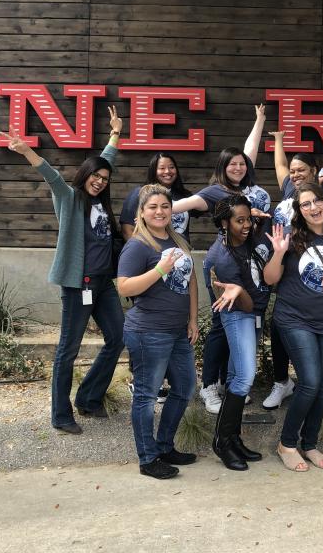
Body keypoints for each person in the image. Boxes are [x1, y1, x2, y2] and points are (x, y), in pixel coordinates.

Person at [1, 108, 125, 436]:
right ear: (84, 175)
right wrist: (27, 150)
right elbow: (52, 176)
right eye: (94, 177)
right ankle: (60, 413)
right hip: (78, 284)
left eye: (104, 179)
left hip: (103, 283)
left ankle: (88, 397)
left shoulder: (101, 202)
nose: (99, 182)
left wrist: (115, 133)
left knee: (119, 338)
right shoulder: (70, 198)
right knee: (68, 349)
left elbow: (106, 161)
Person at [173, 105, 269, 414]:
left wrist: (259, 120)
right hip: (224, 263)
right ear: (223, 167)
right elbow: (183, 204)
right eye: (233, 165)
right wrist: (154, 211)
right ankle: (209, 387)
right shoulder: (216, 192)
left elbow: (249, 149)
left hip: (250, 263)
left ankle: (232, 384)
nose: (239, 168)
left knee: (239, 325)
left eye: (242, 164)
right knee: (220, 325)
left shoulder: (246, 188)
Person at [263, 183, 323, 472]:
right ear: (299, 210)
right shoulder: (291, 238)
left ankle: (310, 443)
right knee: (310, 382)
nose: (313, 207)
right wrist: (278, 253)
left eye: (317, 200)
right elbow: (269, 279)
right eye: (305, 204)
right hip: (294, 318)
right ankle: (287, 443)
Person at [116, 184, 200, 479]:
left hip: (178, 331)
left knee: (185, 387)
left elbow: (191, 281)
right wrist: (160, 270)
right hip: (148, 332)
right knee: (146, 396)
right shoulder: (138, 245)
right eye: (153, 207)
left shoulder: (177, 239)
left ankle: (164, 445)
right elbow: (124, 286)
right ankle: (148, 458)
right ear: (142, 212)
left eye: (165, 206)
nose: (160, 212)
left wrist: (192, 320)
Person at [261, 130, 323, 410]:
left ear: (314, 171)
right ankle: (282, 382)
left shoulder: (320, 197)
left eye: (301, 170)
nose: (294, 174)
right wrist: (279, 139)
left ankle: (315, 385)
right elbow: (280, 166)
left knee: (313, 333)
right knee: (280, 328)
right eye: (293, 171)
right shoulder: (290, 190)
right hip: (282, 263)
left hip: (311, 269)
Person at [204, 195, 273, 471]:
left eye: (248, 219)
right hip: (239, 315)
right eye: (239, 220)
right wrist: (243, 292)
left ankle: (232, 438)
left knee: (235, 377)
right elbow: (243, 303)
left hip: (252, 314)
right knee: (244, 377)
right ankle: (221, 442)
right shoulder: (221, 258)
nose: (246, 225)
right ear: (224, 223)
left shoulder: (247, 239)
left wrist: (260, 219)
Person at [120, 152, 194, 242]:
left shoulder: (185, 195)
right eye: (162, 168)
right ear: (153, 170)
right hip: (151, 252)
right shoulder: (139, 193)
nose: (167, 171)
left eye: (171, 167)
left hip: (181, 252)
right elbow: (127, 229)